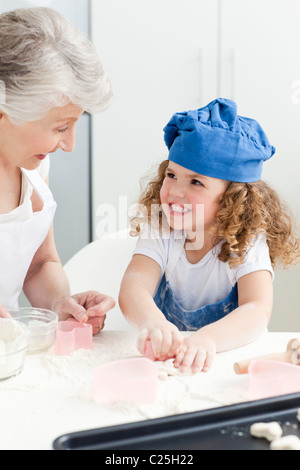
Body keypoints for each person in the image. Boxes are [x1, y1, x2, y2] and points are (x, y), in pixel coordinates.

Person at [119, 98, 300, 373]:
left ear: (232, 198)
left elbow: (257, 308)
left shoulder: (247, 240)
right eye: (171, 175)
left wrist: (208, 339)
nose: (176, 191)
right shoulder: (160, 226)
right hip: (173, 363)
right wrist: (152, 322)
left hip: (230, 361)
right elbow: (134, 286)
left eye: (196, 182)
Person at [0, 7, 115, 334]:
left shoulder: (34, 168)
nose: (70, 145)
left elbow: (38, 265)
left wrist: (61, 304)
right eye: (61, 127)